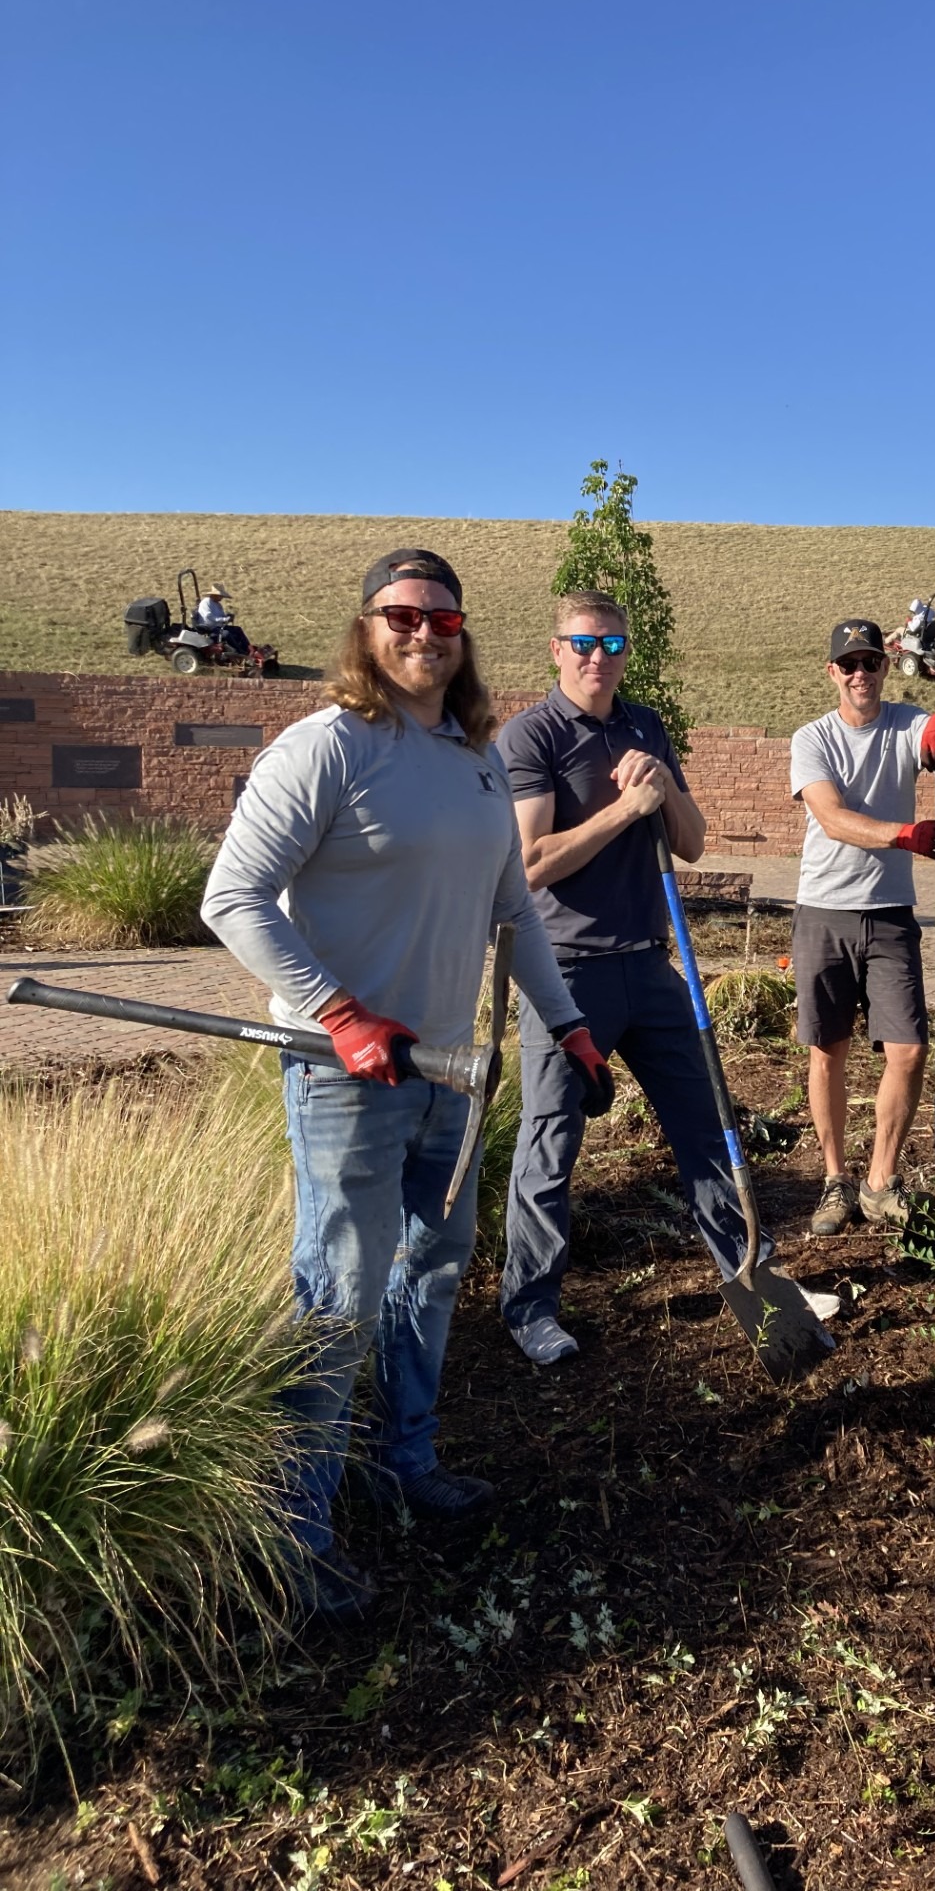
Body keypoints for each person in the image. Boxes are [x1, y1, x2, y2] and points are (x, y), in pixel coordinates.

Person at [201, 549, 611, 1620]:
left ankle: (405, 1465)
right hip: (347, 1075)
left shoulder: (473, 758)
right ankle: (299, 1536)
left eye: (442, 617)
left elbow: (513, 913)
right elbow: (232, 898)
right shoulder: (327, 747)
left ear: (463, 632)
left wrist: (565, 1025)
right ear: (367, 627)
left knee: (429, 1275)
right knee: (335, 1295)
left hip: (449, 1078)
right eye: (402, 614)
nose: (424, 633)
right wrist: (337, 1012)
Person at [497, 589, 829, 1364]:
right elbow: (532, 864)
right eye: (582, 643)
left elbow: (693, 845)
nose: (596, 658)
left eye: (612, 646)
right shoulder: (530, 736)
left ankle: (756, 1274)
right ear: (556, 649)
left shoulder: (644, 725)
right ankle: (530, 1307)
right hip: (565, 975)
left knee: (709, 1121)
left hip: (648, 966)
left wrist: (666, 788)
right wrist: (623, 810)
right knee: (550, 1144)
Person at [790, 618, 935, 1236]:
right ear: (832, 672)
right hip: (824, 910)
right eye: (849, 664)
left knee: (909, 1049)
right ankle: (836, 1179)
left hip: (890, 914)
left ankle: (878, 1183)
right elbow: (833, 819)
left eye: (871, 662)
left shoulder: (905, 723)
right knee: (826, 1052)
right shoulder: (811, 738)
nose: (861, 674)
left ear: (885, 667)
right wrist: (905, 835)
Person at [194, 582, 250, 656]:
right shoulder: (206, 603)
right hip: (209, 629)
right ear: (215, 595)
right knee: (226, 634)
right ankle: (240, 652)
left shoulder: (218, 604)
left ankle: (248, 648)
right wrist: (224, 619)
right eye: (220, 596)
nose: (222, 598)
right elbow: (209, 617)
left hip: (218, 627)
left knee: (237, 629)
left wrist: (227, 617)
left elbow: (221, 616)